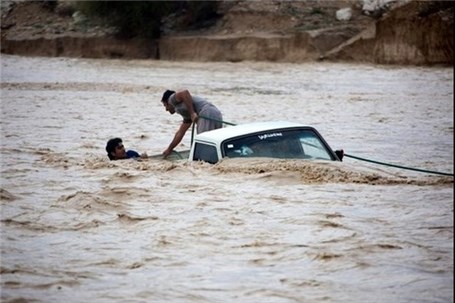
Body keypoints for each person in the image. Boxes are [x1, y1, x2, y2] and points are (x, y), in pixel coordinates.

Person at [160, 89, 223, 158]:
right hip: (216, 114)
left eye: (165, 105)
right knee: (213, 143)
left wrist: (192, 113)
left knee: (203, 142)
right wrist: (169, 149)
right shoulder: (185, 113)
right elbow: (180, 133)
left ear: (168, 102)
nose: (166, 109)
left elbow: (185, 92)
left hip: (206, 113)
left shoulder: (171, 99)